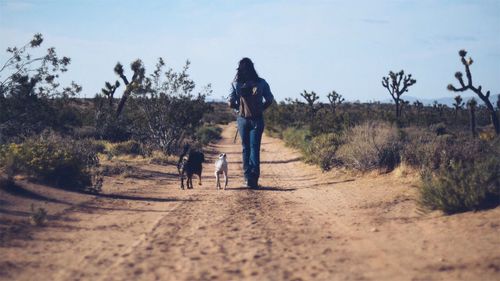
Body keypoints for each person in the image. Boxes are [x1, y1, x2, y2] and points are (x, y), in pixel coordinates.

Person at [228, 58, 274, 188]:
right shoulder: (261, 83)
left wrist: (238, 108)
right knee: (255, 148)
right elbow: (270, 99)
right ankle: (254, 179)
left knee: (245, 148)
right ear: (253, 67)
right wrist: (260, 108)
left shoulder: (236, 83)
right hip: (257, 119)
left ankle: (247, 178)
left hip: (242, 119)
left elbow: (230, 102)